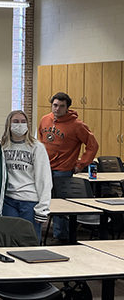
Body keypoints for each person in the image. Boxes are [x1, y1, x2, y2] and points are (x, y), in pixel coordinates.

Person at [38, 91, 99, 243]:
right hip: (45, 168)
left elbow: (93, 145)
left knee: (60, 204)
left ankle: (61, 237)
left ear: (67, 108)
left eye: (61, 106)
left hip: (63, 170)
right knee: (42, 201)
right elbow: (40, 141)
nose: (57, 109)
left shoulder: (76, 125)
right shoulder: (45, 120)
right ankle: (38, 234)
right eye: (55, 105)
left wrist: (81, 164)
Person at [1, 110, 52, 241]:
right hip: (9, 200)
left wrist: (43, 208)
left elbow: (44, 179)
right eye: (16, 122)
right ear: (9, 125)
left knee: (29, 242)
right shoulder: (3, 147)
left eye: (23, 122)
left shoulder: (37, 147)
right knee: (9, 241)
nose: (20, 125)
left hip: (30, 202)